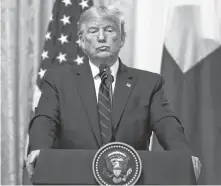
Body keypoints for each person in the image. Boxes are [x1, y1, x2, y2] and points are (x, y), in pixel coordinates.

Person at [26, 5, 201, 179]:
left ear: (122, 38)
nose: (101, 37)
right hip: (74, 177)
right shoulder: (58, 80)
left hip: (132, 178)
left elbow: (166, 123)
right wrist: (40, 150)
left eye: (109, 30)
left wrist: (183, 154)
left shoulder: (148, 83)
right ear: (81, 40)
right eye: (93, 31)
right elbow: (45, 120)